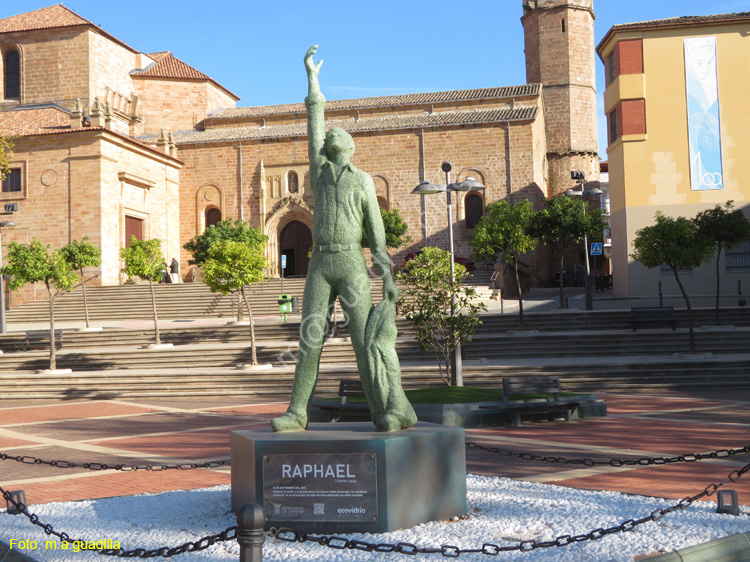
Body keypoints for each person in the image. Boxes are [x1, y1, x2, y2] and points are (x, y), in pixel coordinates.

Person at [271, 46, 416, 433]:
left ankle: (385, 410)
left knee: (365, 339)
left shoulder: (363, 180)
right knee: (310, 338)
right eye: (329, 134)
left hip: (352, 262)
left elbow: (377, 229)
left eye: (339, 133)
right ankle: (296, 412)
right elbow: (315, 123)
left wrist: (386, 273)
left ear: (349, 147)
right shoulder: (318, 172)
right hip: (321, 263)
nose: (331, 135)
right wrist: (313, 81)